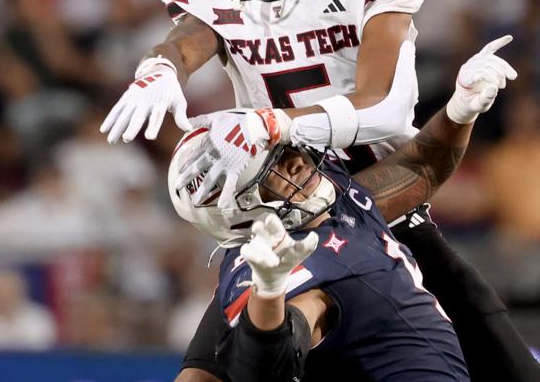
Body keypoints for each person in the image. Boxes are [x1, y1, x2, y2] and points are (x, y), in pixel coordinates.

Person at [100, 0, 538, 380]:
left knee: (509, 367)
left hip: (381, 209)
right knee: (205, 373)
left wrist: (276, 121)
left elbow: (385, 108)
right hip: (276, 217)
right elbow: (184, 42)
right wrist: (160, 68)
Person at [166, 36, 522, 380]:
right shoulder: (296, 266)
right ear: (242, 208)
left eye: (284, 148)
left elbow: (416, 169)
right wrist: (270, 292)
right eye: (274, 166)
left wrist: (459, 110)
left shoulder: (329, 197)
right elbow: (265, 364)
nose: (297, 161)